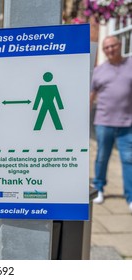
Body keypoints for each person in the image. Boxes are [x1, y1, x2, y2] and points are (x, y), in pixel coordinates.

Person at [90, 35, 132, 212]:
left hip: (127, 122)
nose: (110, 50)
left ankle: (130, 196)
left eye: (112, 46)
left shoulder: (130, 65)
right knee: (102, 156)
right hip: (104, 121)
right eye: (106, 48)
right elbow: (91, 95)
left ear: (119, 45)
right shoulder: (99, 70)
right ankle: (98, 188)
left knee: (128, 159)